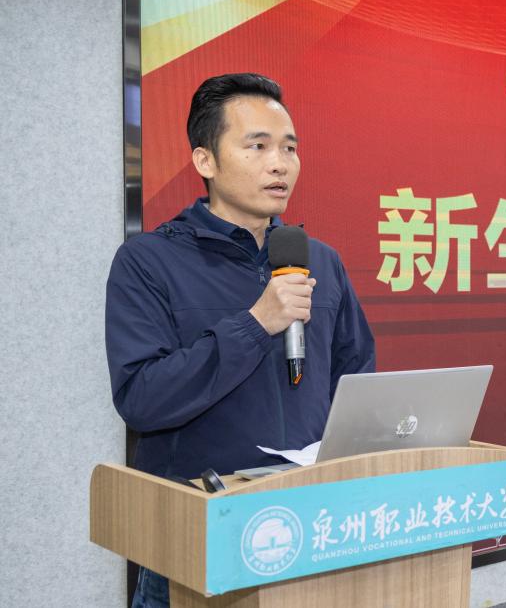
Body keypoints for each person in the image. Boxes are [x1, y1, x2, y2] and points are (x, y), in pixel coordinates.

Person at [105, 73, 375, 607]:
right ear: (205, 160)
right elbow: (141, 398)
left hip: (310, 523)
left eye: (289, 148)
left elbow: (355, 377)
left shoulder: (320, 260)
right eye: (258, 146)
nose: (280, 164)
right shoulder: (148, 262)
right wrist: (255, 324)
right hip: (198, 533)